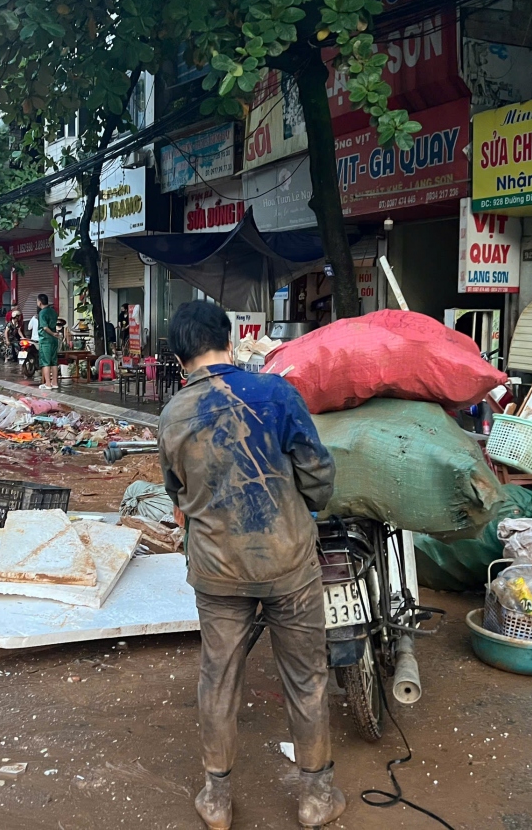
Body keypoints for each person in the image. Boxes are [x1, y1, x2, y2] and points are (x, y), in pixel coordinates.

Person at [157, 301, 343, 830]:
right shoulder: (276, 392)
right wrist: (306, 501)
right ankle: (315, 799)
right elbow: (317, 476)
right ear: (231, 339)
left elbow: (177, 493)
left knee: (217, 677)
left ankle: (216, 800)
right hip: (288, 561)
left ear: (179, 354)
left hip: (217, 569)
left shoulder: (173, 415)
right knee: (306, 676)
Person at [36, 293, 60, 390]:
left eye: (37, 301)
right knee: (54, 361)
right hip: (54, 341)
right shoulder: (53, 311)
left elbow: (45, 327)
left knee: (45, 362)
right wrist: (55, 334)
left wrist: (52, 333)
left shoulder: (42, 313)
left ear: (40, 302)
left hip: (45, 339)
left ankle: (48, 384)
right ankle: (55, 383)